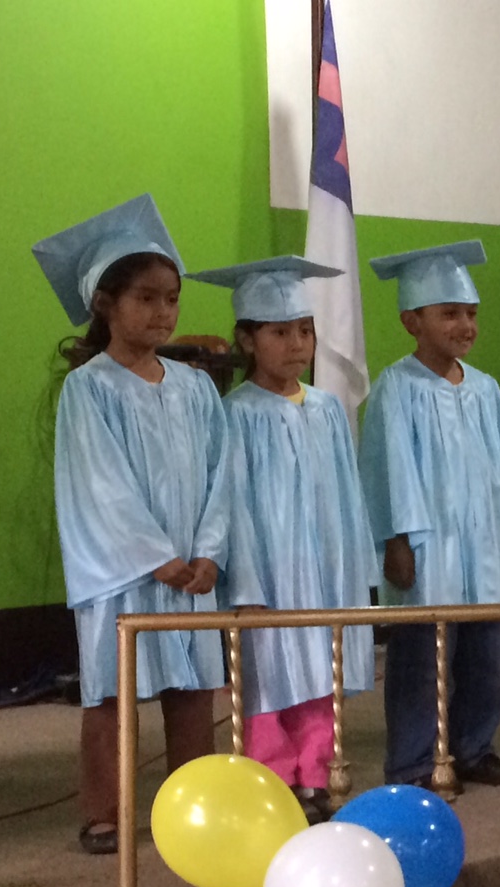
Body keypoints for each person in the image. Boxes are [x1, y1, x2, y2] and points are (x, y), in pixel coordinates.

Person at [38, 195, 228, 854]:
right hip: (120, 573)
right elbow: (100, 485)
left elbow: (221, 475)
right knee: (112, 695)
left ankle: (192, 810)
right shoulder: (89, 388)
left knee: (194, 691)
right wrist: (155, 557)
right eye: (145, 298)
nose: (163, 312)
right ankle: (105, 814)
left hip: (189, 569)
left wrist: (208, 552)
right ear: (105, 304)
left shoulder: (195, 387)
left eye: (171, 299)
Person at [191, 255, 377, 823]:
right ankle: (272, 777)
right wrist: (245, 585)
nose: (297, 344)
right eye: (279, 333)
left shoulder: (327, 409)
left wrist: (357, 570)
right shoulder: (234, 414)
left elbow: (349, 494)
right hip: (268, 572)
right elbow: (230, 504)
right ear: (247, 340)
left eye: (305, 330)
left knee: (322, 669)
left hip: (326, 569)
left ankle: (316, 774)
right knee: (269, 678)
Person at [359, 240, 500, 792]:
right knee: (423, 659)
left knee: (487, 657)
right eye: (449, 313)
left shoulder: (485, 388)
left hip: (484, 543)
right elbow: (388, 468)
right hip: (427, 547)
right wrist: (396, 540)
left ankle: (474, 747)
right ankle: (413, 762)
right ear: (412, 321)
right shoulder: (396, 387)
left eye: (471, 313)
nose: (465, 325)